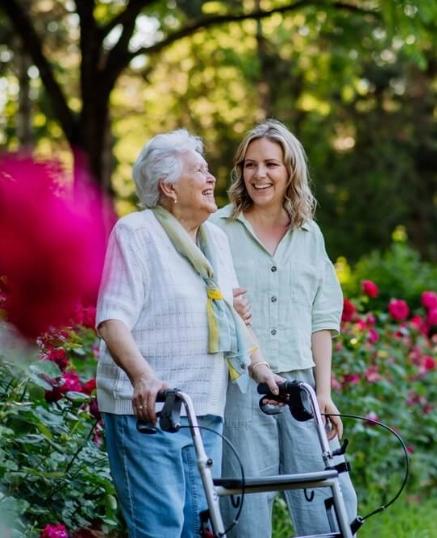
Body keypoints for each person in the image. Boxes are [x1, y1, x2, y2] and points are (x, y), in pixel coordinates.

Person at [95, 128, 279, 538]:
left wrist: (261, 369)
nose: (212, 178)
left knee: (199, 528)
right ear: (168, 187)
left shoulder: (214, 238)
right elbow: (112, 318)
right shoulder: (137, 233)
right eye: (199, 170)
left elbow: (230, 315)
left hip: (204, 409)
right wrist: (143, 376)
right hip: (150, 412)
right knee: (160, 528)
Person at [210, 119, 358, 537]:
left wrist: (324, 393)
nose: (259, 175)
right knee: (245, 507)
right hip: (241, 386)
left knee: (328, 503)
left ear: (290, 170)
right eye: (250, 164)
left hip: (300, 385)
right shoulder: (217, 230)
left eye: (271, 164)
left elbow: (322, 320)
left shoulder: (310, 235)